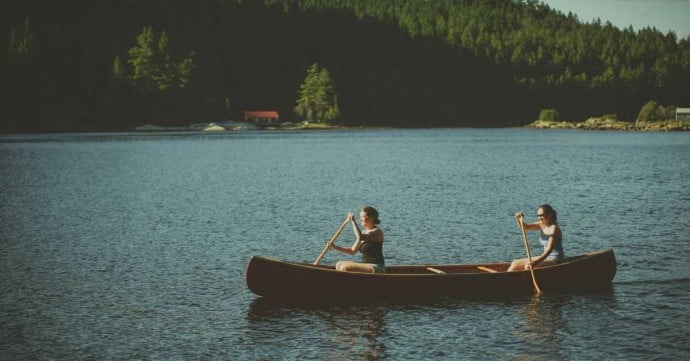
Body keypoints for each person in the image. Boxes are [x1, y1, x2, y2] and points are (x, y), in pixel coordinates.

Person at [507, 204, 564, 272]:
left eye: (541, 215)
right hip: (545, 257)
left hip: (555, 259)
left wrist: (536, 262)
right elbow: (525, 227)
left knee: (528, 266)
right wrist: (519, 219)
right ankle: (506, 279)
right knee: (515, 263)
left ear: (549, 215)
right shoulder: (541, 224)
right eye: (538, 215)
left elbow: (549, 250)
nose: (539, 218)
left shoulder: (554, 229)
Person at [331, 206, 385, 273]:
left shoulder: (378, 232)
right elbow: (352, 251)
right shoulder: (364, 232)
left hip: (377, 267)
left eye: (363, 217)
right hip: (366, 265)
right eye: (360, 217)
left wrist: (353, 221)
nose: (360, 219)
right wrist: (334, 247)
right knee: (339, 264)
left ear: (371, 218)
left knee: (344, 267)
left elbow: (360, 237)